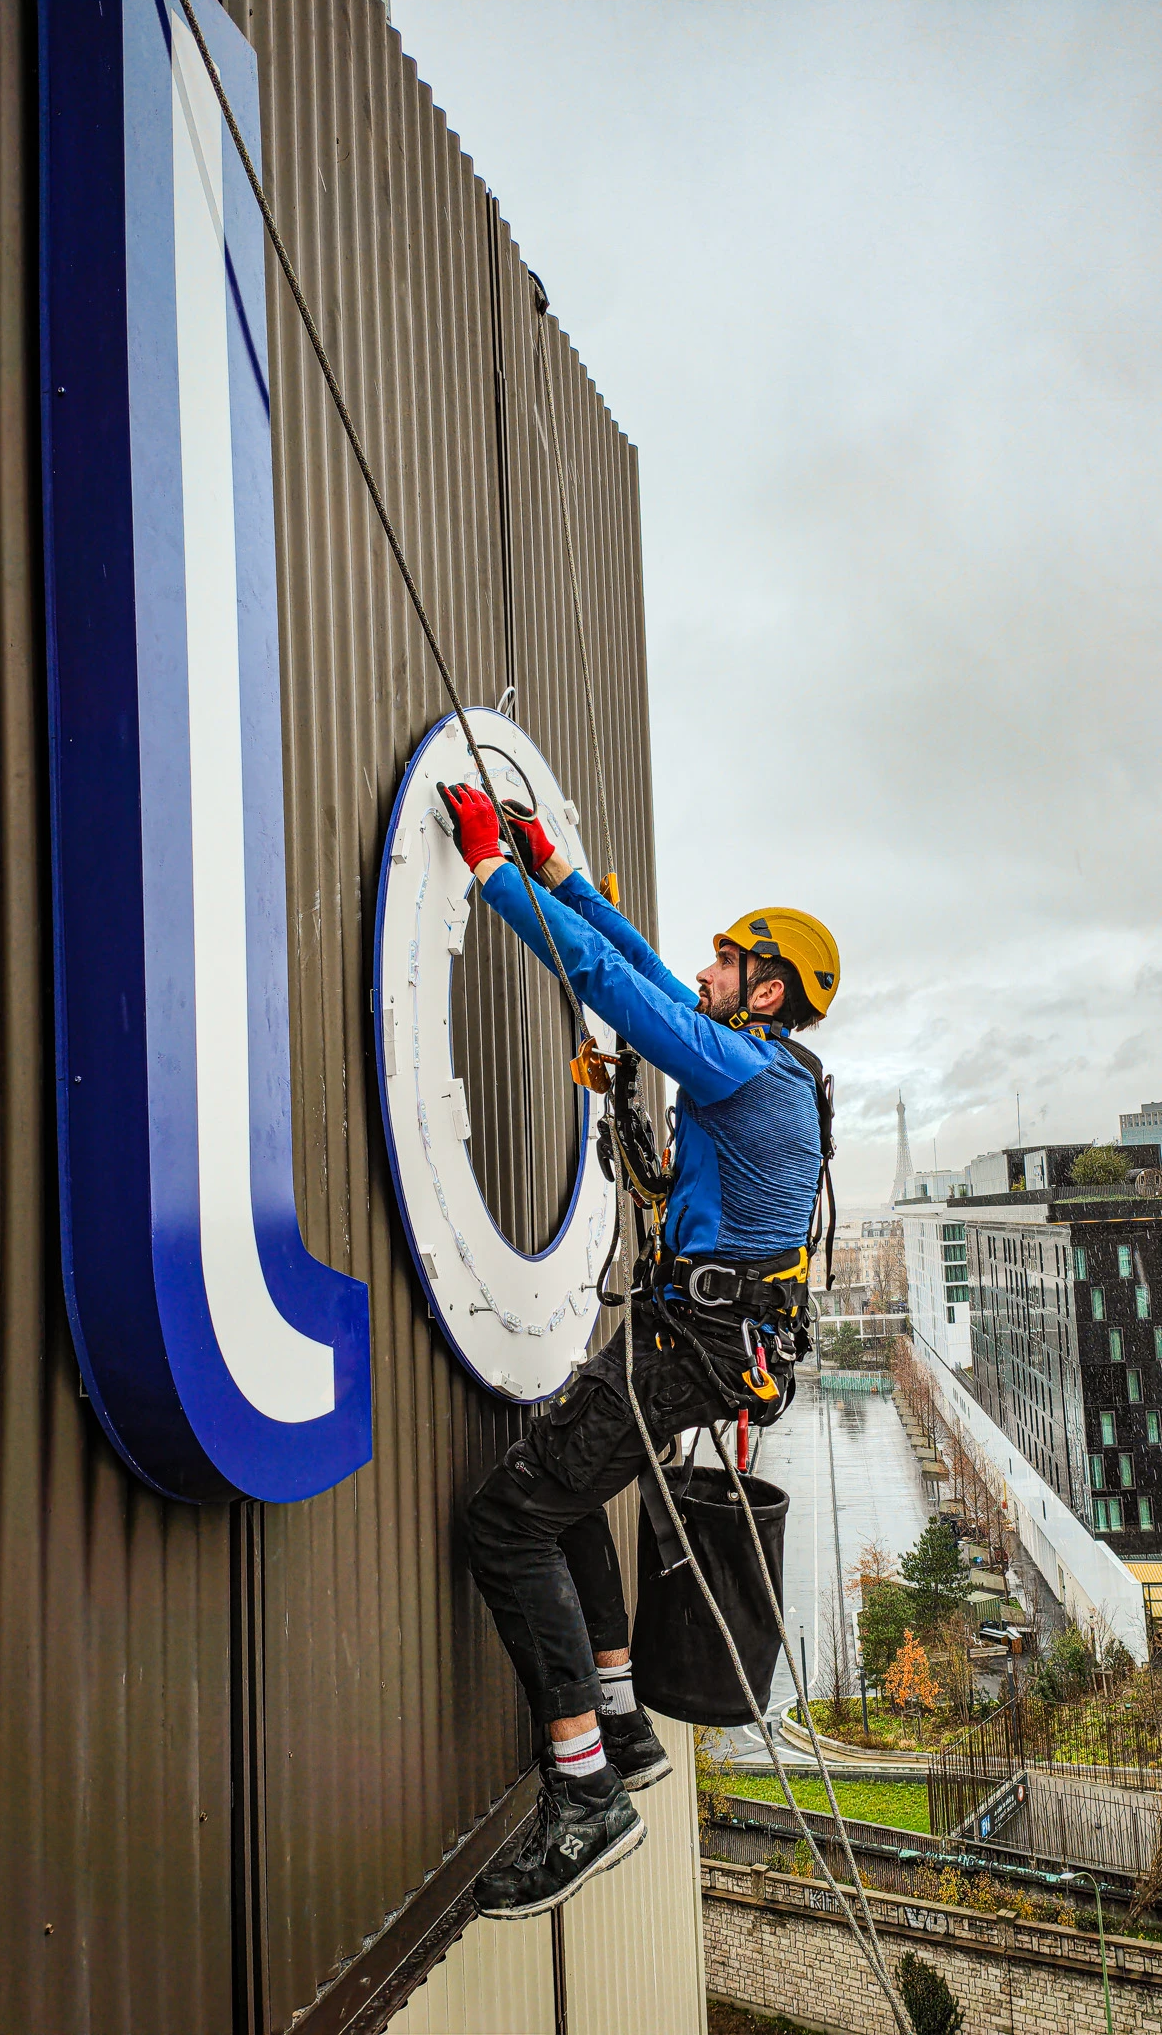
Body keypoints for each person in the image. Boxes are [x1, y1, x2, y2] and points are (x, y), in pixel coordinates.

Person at [435, 780, 839, 1919]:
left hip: (686, 1346)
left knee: (504, 1520)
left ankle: (586, 1791)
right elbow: (651, 979)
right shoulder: (761, 1062)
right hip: (703, 1342)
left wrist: (492, 873)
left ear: (765, 989)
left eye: (727, 960)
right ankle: (619, 1717)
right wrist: (556, 875)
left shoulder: (745, 1070)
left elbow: (617, 987)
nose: (704, 969)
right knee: (555, 1500)